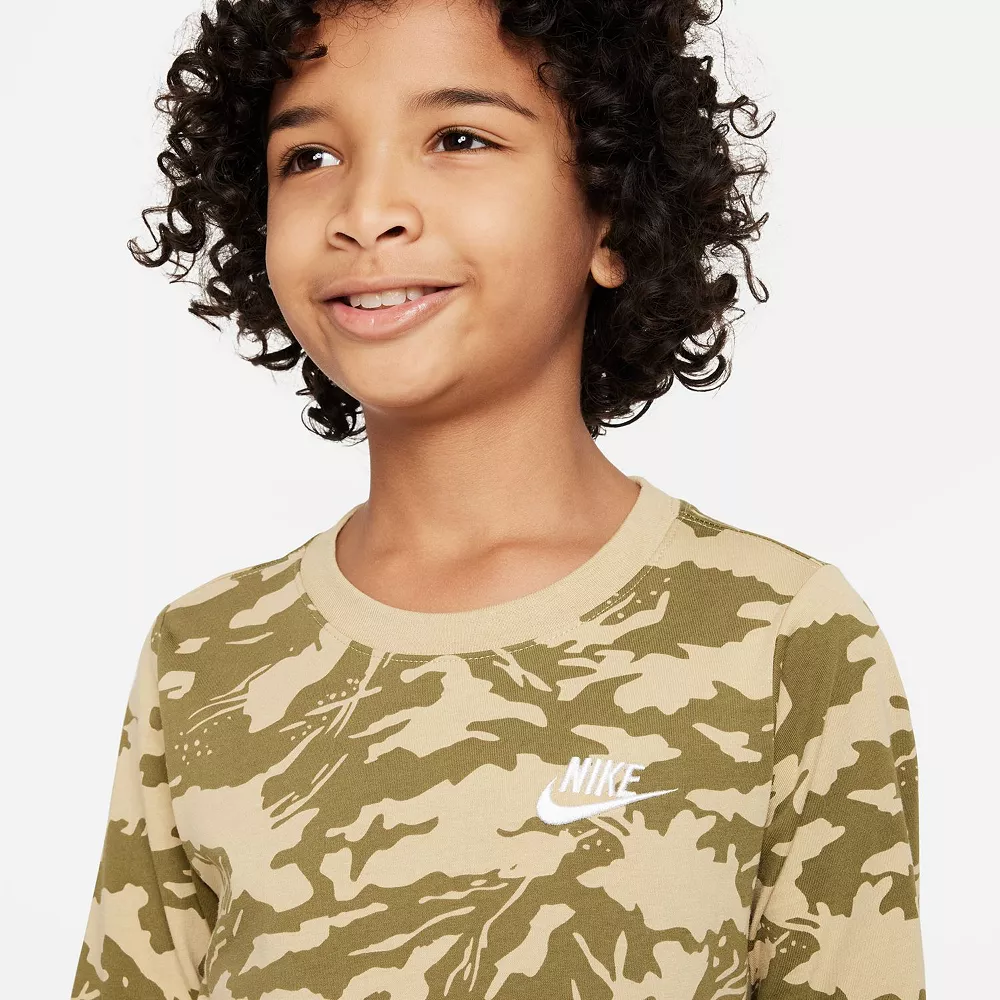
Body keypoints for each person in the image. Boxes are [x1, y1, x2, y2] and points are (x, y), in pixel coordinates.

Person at [71, 0, 926, 997]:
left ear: (612, 212)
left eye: (459, 139)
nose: (366, 211)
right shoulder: (202, 656)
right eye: (309, 157)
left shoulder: (781, 634)